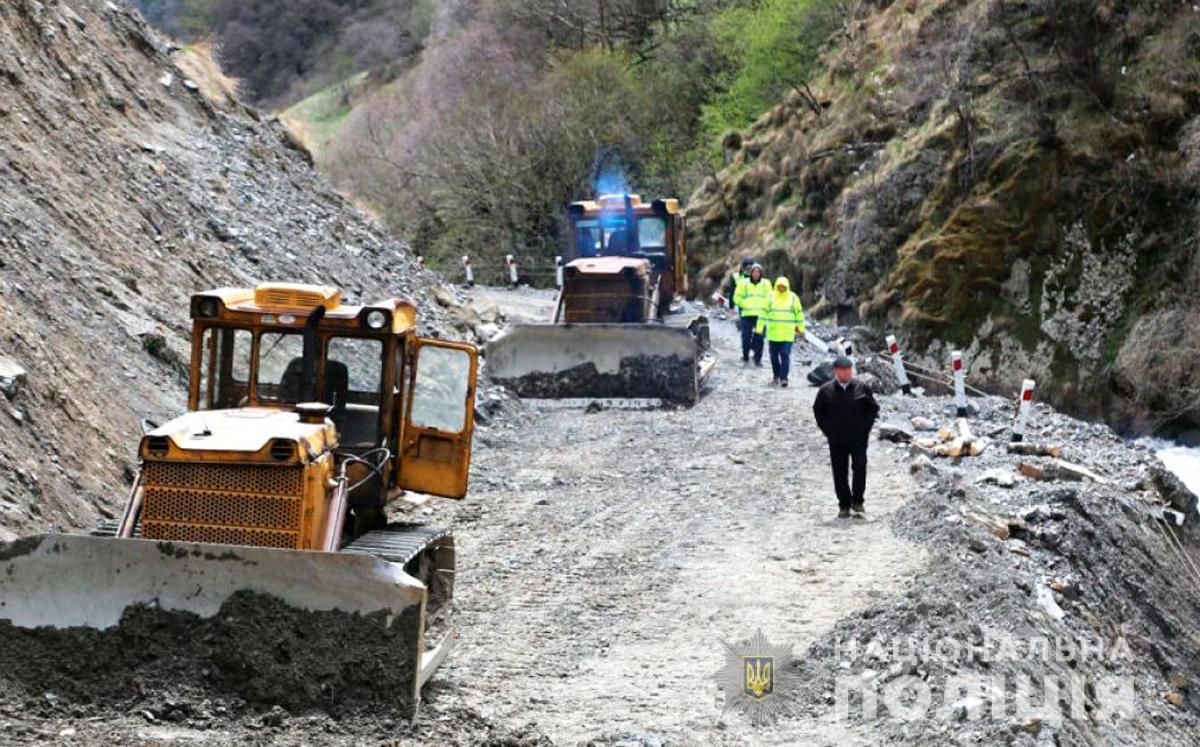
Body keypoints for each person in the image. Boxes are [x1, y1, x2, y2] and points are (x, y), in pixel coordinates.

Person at [813, 357, 880, 520]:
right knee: (839, 471)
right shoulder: (825, 390)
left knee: (860, 465)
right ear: (836, 371)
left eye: (849, 369)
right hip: (836, 439)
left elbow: (873, 409)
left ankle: (858, 501)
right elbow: (818, 412)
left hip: (858, 438)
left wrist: (866, 428)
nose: (847, 373)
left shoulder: (862, 387)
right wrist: (828, 431)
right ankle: (844, 504)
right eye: (843, 370)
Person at [756, 276, 805, 387]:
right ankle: (776, 375)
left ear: (787, 286)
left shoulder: (793, 298)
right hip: (773, 334)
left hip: (787, 334)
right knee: (773, 356)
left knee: (785, 355)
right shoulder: (771, 296)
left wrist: (801, 329)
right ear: (776, 286)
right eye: (780, 286)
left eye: (784, 286)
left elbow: (799, 315)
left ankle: (784, 378)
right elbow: (763, 313)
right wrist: (759, 328)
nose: (782, 288)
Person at [732, 264, 769, 366]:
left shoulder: (766, 284)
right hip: (747, 314)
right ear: (751, 273)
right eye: (754, 272)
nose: (756, 274)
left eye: (758, 272)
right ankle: (745, 356)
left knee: (760, 337)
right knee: (746, 336)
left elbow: (770, 298)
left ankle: (758, 359)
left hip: (761, 315)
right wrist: (744, 304)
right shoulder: (743, 283)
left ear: (761, 273)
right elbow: (736, 297)